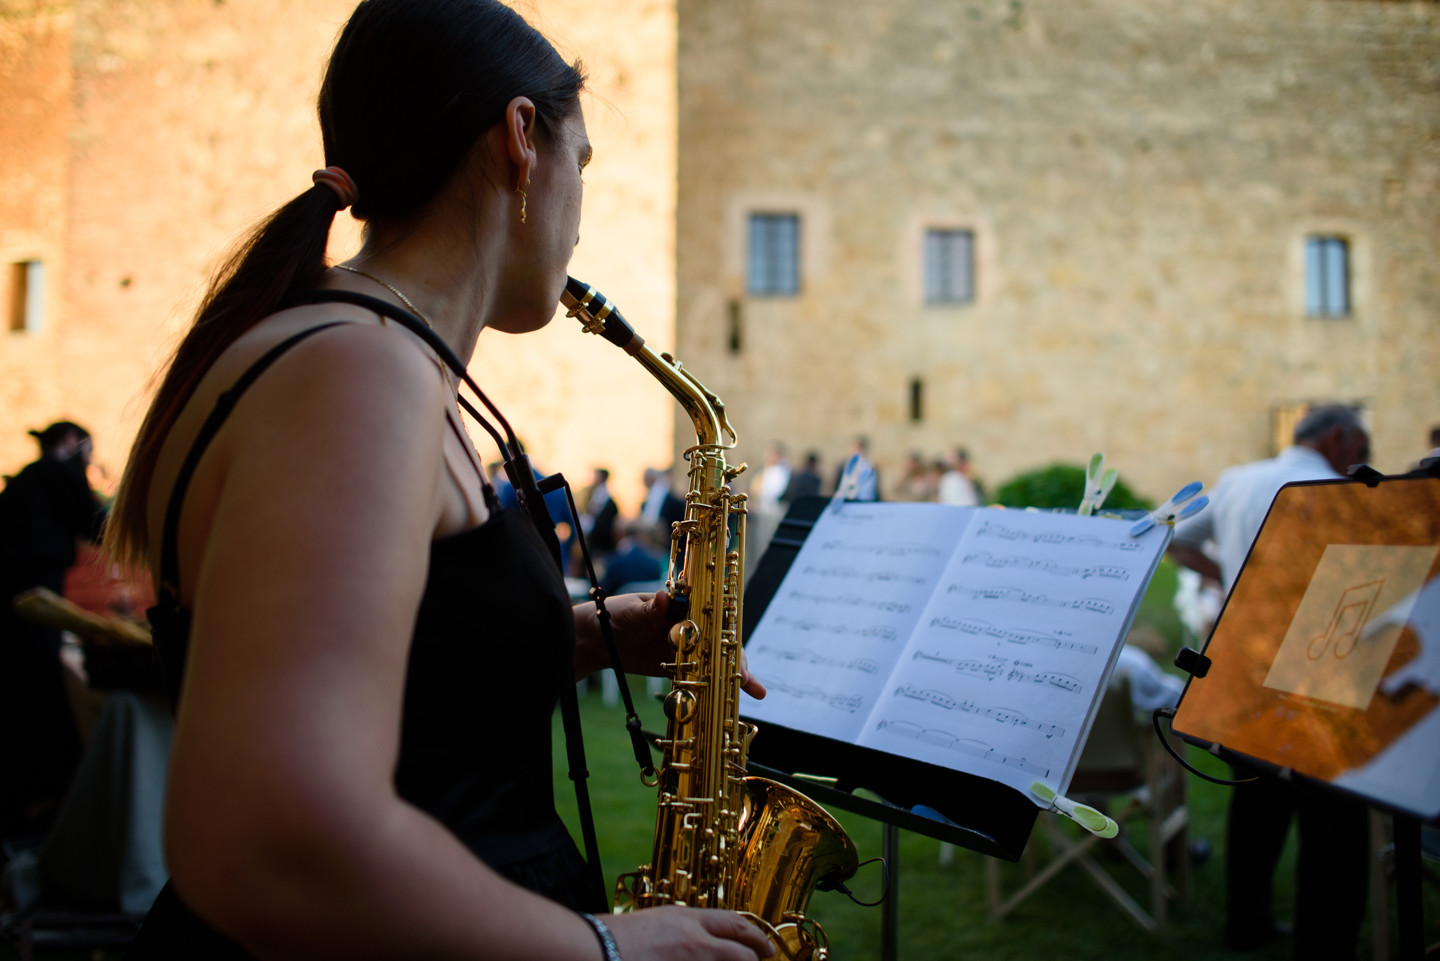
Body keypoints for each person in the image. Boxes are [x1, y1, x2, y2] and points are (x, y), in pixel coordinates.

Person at [102, 3, 771, 958]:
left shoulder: (348, 350)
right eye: (583, 169)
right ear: (519, 138)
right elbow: (269, 842)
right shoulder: (355, 375)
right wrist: (609, 949)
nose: (580, 226)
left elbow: (396, 664)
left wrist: (579, 635)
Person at [1169, 403, 1371, 958]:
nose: (1361, 458)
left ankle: (1246, 923)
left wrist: (1231, 581)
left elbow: (1175, 541)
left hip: (1243, 656)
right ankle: (1322, 944)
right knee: (1328, 812)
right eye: (1360, 446)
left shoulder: (1239, 478)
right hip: (1317, 664)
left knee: (1253, 796)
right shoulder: (1338, 487)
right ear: (1337, 437)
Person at [0, 421, 106, 836]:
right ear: (69, 442)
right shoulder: (55, 474)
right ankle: (43, 802)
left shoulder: (26, 480)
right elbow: (97, 526)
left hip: (15, 607)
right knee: (39, 696)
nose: (90, 463)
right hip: (30, 609)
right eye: (88, 453)